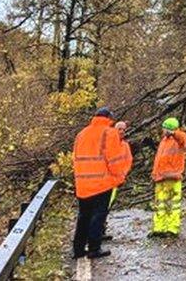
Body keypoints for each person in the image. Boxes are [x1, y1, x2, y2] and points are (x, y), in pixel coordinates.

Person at [72, 107, 127, 259]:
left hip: (82, 183)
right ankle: (94, 249)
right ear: (109, 118)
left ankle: (78, 249)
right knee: (98, 216)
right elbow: (114, 160)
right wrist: (119, 178)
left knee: (83, 216)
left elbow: (75, 159)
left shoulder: (81, 134)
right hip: (102, 183)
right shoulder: (109, 133)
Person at [149, 117, 186, 238]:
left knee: (172, 204)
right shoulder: (164, 141)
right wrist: (154, 174)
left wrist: (173, 133)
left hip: (172, 177)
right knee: (160, 204)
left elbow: (182, 138)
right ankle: (159, 228)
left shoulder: (179, 139)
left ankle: (172, 229)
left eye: (164, 128)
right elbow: (159, 160)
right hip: (160, 178)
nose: (162, 130)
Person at [103, 121, 134, 241]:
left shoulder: (125, 145)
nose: (121, 132)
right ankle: (97, 231)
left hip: (116, 181)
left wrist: (122, 175)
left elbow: (128, 161)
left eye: (124, 130)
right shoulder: (108, 144)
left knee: (107, 206)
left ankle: (101, 229)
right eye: (119, 129)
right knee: (102, 206)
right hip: (106, 181)